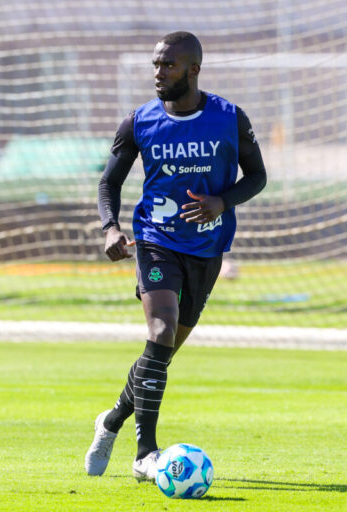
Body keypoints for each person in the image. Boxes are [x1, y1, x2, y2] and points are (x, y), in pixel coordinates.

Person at [85, 31, 267, 481]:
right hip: (155, 241)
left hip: (206, 249)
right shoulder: (139, 121)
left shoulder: (229, 118)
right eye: (156, 65)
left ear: (193, 69)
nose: (158, 73)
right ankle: (145, 453)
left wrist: (222, 202)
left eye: (168, 65)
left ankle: (111, 421)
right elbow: (109, 182)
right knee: (161, 331)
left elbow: (257, 176)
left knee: (160, 353)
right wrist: (111, 228)